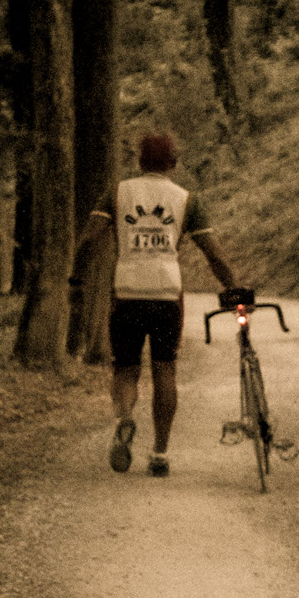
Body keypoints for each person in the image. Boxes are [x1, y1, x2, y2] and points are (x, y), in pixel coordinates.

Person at [76, 133, 241, 477]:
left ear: (139, 161)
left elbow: (90, 238)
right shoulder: (186, 200)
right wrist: (233, 286)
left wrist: (75, 277)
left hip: (126, 293)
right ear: (173, 163)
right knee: (165, 370)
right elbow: (214, 253)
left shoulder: (118, 192)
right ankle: (160, 453)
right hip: (167, 296)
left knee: (125, 369)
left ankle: (124, 419)